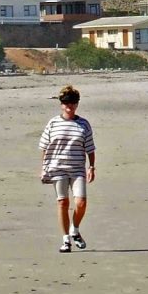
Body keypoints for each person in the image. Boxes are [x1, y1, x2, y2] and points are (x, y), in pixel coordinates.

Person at [39, 85, 96, 254]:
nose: (69, 106)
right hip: (57, 168)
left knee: (81, 202)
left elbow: (90, 148)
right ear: (61, 104)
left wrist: (91, 167)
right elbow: (44, 146)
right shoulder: (53, 123)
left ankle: (75, 229)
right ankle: (65, 240)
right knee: (63, 202)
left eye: (72, 103)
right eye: (66, 103)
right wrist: (43, 168)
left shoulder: (83, 124)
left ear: (77, 104)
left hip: (78, 168)